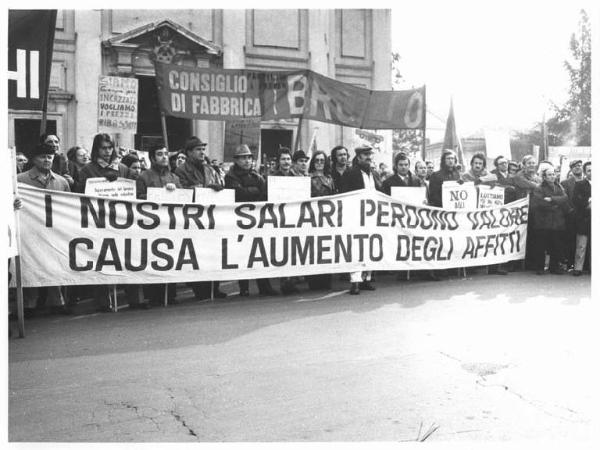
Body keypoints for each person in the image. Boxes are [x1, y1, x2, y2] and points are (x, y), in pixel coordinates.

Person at [17, 143, 72, 316]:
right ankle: (29, 304)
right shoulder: (19, 179)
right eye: (42, 156)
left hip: (54, 230)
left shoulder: (61, 182)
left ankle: (57, 302)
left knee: (55, 264)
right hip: (29, 230)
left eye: (49, 156)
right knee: (29, 266)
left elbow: (70, 206)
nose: (47, 160)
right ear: (33, 159)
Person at [175, 136, 227, 300]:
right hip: (194, 219)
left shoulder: (210, 169)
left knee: (213, 254)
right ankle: (200, 289)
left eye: (203, 149)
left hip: (211, 219)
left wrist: (218, 188)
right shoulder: (181, 170)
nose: (202, 153)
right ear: (189, 152)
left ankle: (214, 287)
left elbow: (220, 185)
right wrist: (202, 189)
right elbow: (182, 191)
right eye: (198, 149)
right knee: (198, 256)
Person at [224, 144, 278, 297]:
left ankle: (264, 286)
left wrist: (252, 192)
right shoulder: (231, 175)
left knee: (260, 254)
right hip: (239, 222)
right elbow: (237, 193)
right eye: (243, 158)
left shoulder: (256, 175)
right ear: (237, 160)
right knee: (242, 255)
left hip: (256, 220)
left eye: (248, 157)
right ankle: (244, 288)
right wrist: (253, 191)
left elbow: (264, 193)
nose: (247, 161)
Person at [136, 146, 183, 304]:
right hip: (152, 226)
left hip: (170, 226)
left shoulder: (174, 178)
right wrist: (159, 193)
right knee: (153, 259)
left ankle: (170, 294)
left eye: (165, 154)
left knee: (170, 258)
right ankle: (153, 295)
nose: (164, 157)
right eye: (159, 154)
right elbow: (138, 199)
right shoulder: (143, 177)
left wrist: (176, 192)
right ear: (152, 157)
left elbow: (184, 199)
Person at [340, 145, 383, 295]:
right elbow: (344, 194)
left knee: (370, 247)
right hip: (356, 217)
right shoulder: (350, 174)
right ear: (358, 157)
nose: (369, 157)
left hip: (372, 218)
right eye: (365, 155)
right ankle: (355, 281)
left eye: (370, 154)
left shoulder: (375, 174)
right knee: (356, 248)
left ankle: (367, 278)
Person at [530, 165, 569, 275]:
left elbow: (565, 198)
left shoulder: (559, 186)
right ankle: (539, 267)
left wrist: (552, 199)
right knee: (541, 246)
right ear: (545, 177)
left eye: (553, 174)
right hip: (543, 222)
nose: (552, 176)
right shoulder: (539, 188)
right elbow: (540, 203)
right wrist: (556, 205)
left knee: (556, 245)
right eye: (549, 175)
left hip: (557, 222)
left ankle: (554, 267)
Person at [306, 150, 336, 290]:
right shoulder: (307, 178)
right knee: (312, 250)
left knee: (326, 249)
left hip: (326, 218)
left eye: (322, 161)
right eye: (317, 160)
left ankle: (326, 280)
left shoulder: (330, 179)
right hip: (311, 217)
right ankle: (313, 281)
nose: (319, 163)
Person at [560, 159, 584, 270]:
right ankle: (569, 262)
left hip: (584, 216)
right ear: (571, 169)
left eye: (579, 165)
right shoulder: (565, 183)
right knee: (570, 239)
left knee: (582, 241)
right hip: (571, 215)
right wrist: (570, 211)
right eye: (575, 166)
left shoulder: (588, 181)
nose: (578, 167)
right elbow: (564, 200)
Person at [572, 161, 591, 276]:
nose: (592, 172)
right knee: (581, 245)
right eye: (589, 170)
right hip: (584, 217)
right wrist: (588, 203)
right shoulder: (579, 184)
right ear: (585, 172)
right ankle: (578, 268)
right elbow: (575, 200)